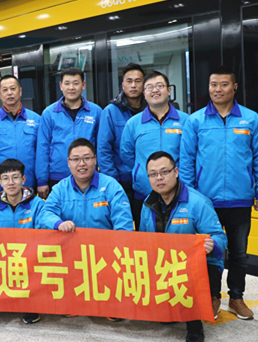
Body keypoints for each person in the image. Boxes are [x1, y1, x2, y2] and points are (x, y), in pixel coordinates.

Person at [180, 66, 258, 320]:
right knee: (210, 251)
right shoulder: (196, 121)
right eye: (213, 85)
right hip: (205, 202)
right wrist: (190, 197)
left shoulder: (251, 119)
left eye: (223, 84)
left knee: (239, 252)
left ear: (234, 87)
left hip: (240, 199)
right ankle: (211, 296)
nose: (217, 89)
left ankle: (236, 297)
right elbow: (186, 161)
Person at [139, 151, 227, 342]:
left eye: (164, 172)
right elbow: (143, 239)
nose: (159, 178)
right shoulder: (147, 204)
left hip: (194, 266)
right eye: (153, 174)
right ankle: (169, 310)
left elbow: (220, 236)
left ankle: (194, 327)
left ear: (176, 172)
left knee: (192, 276)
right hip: (163, 264)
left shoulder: (198, 202)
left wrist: (212, 244)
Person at [121, 71, 189, 230]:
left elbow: (190, 155)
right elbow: (126, 155)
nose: (155, 90)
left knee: (177, 238)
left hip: (178, 193)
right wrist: (139, 173)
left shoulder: (185, 120)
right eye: (149, 87)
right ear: (144, 93)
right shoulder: (133, 123)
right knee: (145, 240)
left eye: (159, 86)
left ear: (169, 90)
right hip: (144, 192)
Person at [0, 158, 45, 325]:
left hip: (29, 258)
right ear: (0, 182)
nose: (11, 182)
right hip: (1, 258)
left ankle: (30, 305)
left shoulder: (37, 203)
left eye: (15, 177)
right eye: (6, 178)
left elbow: (43, 232)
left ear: (23, 179)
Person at [38, 138, 133, 232]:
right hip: (71, 242)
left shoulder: (111, 186)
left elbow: (124, 224)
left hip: (105, 241)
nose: (81, 164)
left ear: (95, 159)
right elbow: (45, 215)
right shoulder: (60, 189)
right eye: (76, 159)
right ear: (68, 162)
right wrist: (59, 224)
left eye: (87, 158)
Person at [36, 67, 102, 199]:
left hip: (87, 175)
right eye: (67, 83)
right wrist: (42, 180)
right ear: (61, 86)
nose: (71, 87)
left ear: (83, 85)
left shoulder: (96, 112)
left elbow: (101, 147)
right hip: (57, 177)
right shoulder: (49, 113)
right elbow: (42, 147)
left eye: (76, 83)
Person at [0, 75, 40, 198]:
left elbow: (42, 154)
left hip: (28, 186)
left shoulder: (36, 120)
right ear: (0, 94)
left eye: (13, 88)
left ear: (20, 91)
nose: (9, 93)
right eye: (5, 90)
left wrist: (42, 182)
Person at [98, 64, 147, 207]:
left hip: (149, 179)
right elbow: (103, 149)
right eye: (129, 81)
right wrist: (112, 181)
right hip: (122, 180)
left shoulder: (151, 110)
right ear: (122, 85)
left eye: (138, 81)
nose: (133, 85)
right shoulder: (110, 112)